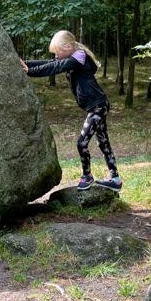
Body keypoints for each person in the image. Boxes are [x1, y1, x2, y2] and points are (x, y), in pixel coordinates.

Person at [20, 30, 122, 191]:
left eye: (57, 53)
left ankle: (87, 177)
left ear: (68, 47)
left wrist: (30, 71)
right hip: (95, 106)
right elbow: (50, 62)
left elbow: (56, 66)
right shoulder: (72, 57)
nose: (56, 57)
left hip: (98, 106)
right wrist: (25, 63)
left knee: (82, 143)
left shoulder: (79, 56)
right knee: (103, 142)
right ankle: (115, 179)